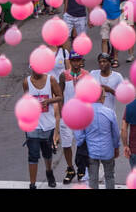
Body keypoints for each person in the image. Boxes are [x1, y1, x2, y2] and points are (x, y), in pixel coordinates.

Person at [25, 61, 60, 189]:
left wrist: (49, 101)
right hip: (33, 125)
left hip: (48, 125)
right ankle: (32, 184)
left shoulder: (51, 80)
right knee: (33, 155)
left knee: (47, 154)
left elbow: (60, 96)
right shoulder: (26, 82)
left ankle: (49, 172)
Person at [75, 98, 121, 189]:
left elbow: (79, 136)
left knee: (93, 178)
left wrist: (82, 144)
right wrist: (116, 147)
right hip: (107, 151)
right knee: (109, 176)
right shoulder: (110, 113)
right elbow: (115, 134)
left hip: (91, 152)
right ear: (102, 98)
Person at [59, 52, 91, 184]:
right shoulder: (64, 75)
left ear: (81, 61)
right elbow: (60, 94)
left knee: (81, 143)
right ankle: (70, 168)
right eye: (74, 60)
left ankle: (81, 168)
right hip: (67, 115)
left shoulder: (86, 75)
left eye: (78, 60)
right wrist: (61, 112)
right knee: (66, 143)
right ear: (70, 61)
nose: (76, 63)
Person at [100, 0, 122, 65]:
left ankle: (115, 58)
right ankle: (104, 59)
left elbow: (124, 2)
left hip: (117, 16)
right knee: (104, 39)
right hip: (104, 16)